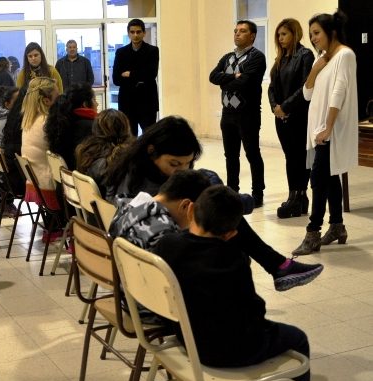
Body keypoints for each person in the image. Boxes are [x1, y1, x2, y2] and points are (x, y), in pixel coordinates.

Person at [107, 116, 323, 291]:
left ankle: (276, 265)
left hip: (138, 278)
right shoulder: (144, 187)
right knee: (223, 217)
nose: (180, 170)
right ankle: (276, 264)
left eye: (186, 163)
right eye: (174, 164)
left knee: (214, 196)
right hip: (158, 286)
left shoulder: (135, 169)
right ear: (151, 151)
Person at [151, 185, 312, 381]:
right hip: (231, 353)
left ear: (191, 210)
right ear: (231, 233)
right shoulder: (233, 259)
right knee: (298, 338)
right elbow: (254, 310)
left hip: (187, 341)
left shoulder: (167, 245)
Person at [112, 170, 323, 291]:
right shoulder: (164, 236)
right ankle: (279, 266)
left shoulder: (126, 207)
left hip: (129, 297)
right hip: (157, 309)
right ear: (187, 206)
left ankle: (279, 266)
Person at [293, 12, 357, 256]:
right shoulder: (321, 58)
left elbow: (338, 92)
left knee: (318, 181)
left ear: (331, 32)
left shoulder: (345, 55)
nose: (313, 38)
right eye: (311, 35)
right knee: (329, 178)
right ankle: (338, 227)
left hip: (331, 130)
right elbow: (308, 94)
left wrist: (329, 126)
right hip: (319, 129)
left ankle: (313, 233)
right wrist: (315, 69)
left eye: (317, 33)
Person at [209, 20, 267, 207]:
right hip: (228, 114)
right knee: (231, 156)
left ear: (252, 36)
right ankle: (232, 191)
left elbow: (246, 83)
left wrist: (224, 80)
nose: (237, 34)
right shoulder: (227, 57)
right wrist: (233, 77)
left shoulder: (257, 57)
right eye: (235, 31)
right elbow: (212, 77)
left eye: (242, 31)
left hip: (247, 114)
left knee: (252, 154)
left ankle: (257, 193)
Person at [269, 18, 315, 219]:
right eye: (278, 35)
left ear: (294, 34)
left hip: (298, 116)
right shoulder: (281, 58)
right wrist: (275, 107)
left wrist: (286, 107)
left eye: (284, 34)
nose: (280, 38)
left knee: (299, 157)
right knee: (290, 157)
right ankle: (293, 196)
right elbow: (272, 87)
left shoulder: (305, 55)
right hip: (281, 117)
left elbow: (305, 86)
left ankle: (300, 196)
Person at [20, 77, 64, 242]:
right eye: (57, 97)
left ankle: (54, 226)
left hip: (34, 181)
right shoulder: (47, 122)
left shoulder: (29, 120)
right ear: (47, 101)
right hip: (48, 184)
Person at [112, 19, 159, 136]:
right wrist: (140, 75)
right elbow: (116, 79)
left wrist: (130, 74)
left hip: (147, 101)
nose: (135, 35)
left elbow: (151, 74)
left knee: (149, 137)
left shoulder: (152, 51)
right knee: (129, 137)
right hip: (127, 102)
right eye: (132, 32)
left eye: (138, 32)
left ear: (144, 33)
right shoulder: (121, 52)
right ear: (128, 33)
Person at [75, 108, 133, 198]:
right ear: (125, 128)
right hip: (113, 209)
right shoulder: (122, 160)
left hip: (93, 208)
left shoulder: (85, 152)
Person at [44, 82, 98, 169]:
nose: (97, 104)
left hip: (69, 178)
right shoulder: (92, 127)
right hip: (82, 178)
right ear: (85, 104)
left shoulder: (64, 121)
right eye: (94, 100)